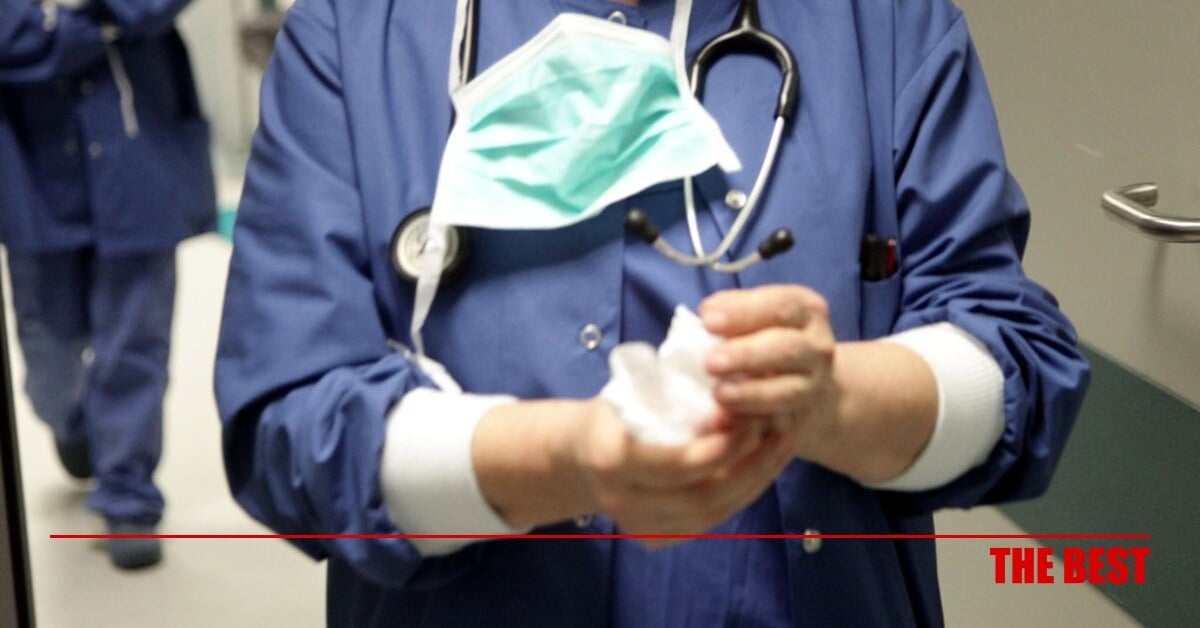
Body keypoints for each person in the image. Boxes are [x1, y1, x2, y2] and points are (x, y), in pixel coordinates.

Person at [215, 0, 1090, 625]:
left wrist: (834, 401)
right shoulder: (359, 30)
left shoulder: (882, 23)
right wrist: (564, 458)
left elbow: (1016, 361)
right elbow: (289, 422)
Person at [0, 0, 214, 569]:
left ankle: (128, 496)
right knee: (49, 355)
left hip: (136, 151)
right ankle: (74, 422)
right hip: (34, 170)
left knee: (135, 341)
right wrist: (98, 24)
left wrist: (57, 23)